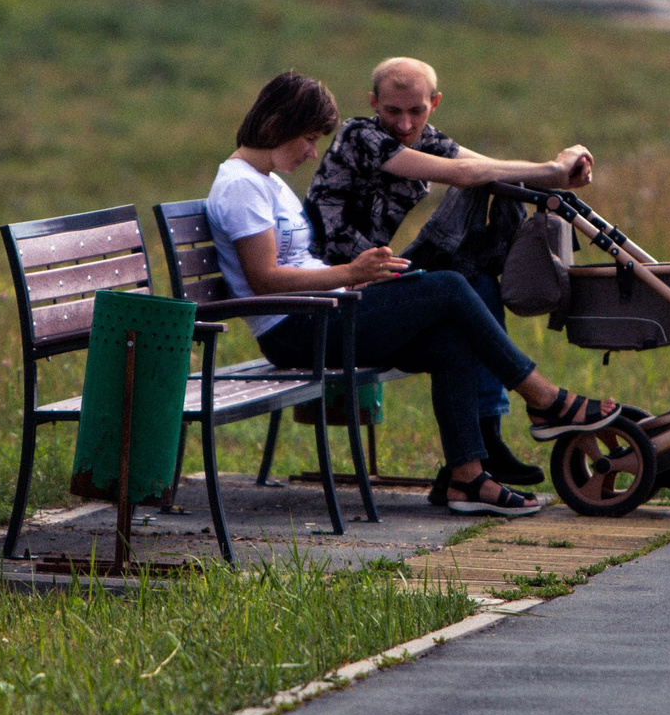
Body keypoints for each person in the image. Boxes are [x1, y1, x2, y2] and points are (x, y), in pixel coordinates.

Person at [207, 70, 627, 516]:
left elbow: (471, 168)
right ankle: (544, 399)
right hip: (295, 330)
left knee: (449, 340)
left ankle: (467, 480)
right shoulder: (241, 186)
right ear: (279, 126)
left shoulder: (266, 181)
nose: (313, 152)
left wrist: (355, 277)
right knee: (448, 286)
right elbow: (265, 279)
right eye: (309, 138)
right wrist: (350, 271)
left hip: (324, 310)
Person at [306, 56, 593, 485]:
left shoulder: (426, 137)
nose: (405, 124)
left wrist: (563, 166)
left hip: (377, 275)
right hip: (339, 286)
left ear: (434, 103)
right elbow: (462, 173)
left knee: (477, 280)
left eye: (416, 111)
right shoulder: (360, 135)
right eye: (392, 111)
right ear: (373, 103)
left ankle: (488, 438)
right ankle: (537, 399)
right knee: (461, 276)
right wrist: (551, 170)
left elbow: (489, 169)